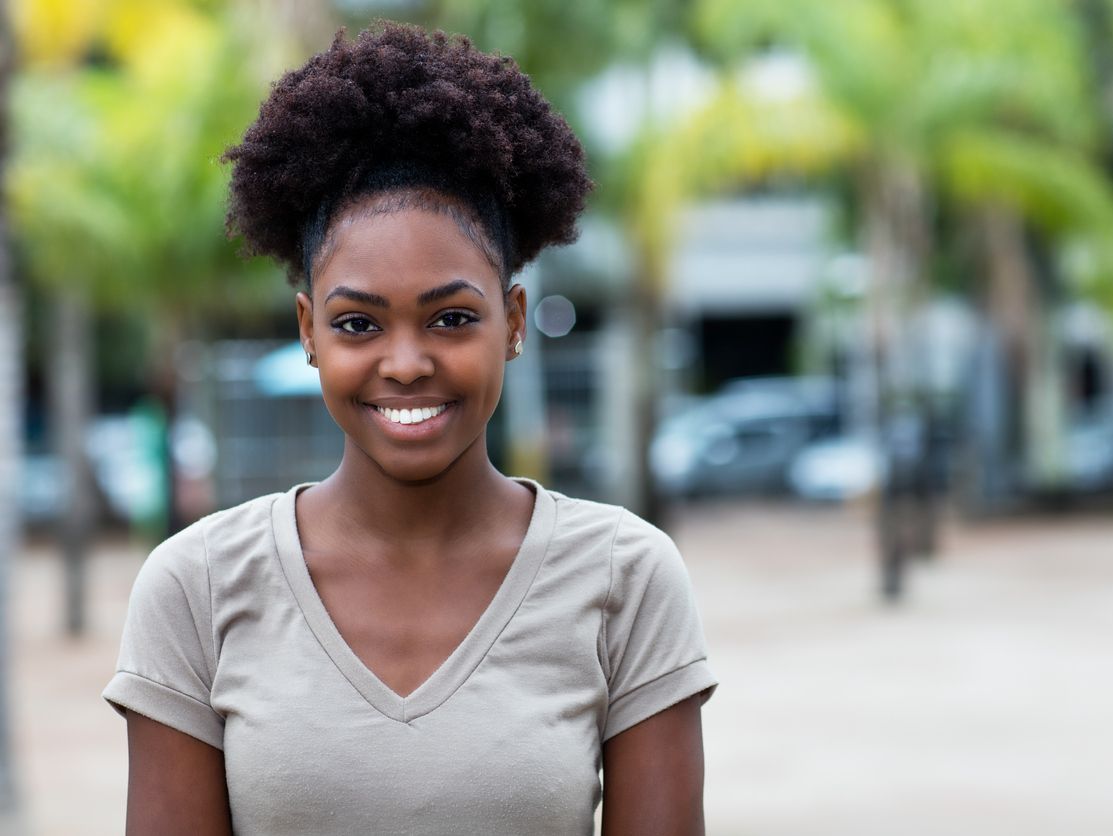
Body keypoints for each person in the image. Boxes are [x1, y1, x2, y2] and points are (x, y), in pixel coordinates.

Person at [103, 22, 716, 836]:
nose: (404, 363)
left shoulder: (625, 580)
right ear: (308, 331)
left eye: (451, 317)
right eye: (358, 324)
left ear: (514, 322)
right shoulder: (198, 589)